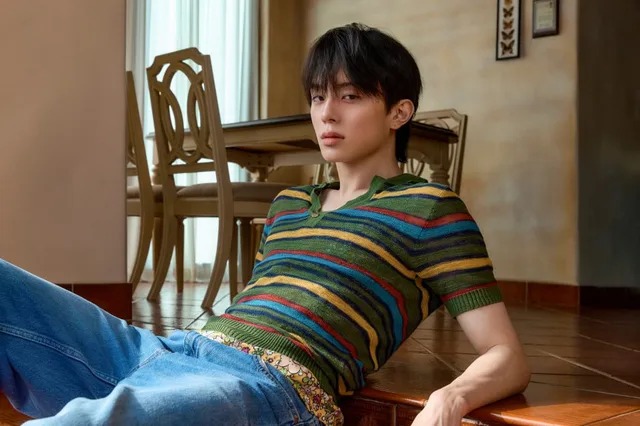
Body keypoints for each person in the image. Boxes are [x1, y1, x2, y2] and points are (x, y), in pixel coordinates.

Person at [0, 23, 530, 426]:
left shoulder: (430, 209)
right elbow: (262, 306)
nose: (326, 113)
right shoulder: (289, 205)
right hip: (171, 351)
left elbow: (506, 356)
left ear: (399, 112)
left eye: (349, 96)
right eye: (318, 96)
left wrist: (449, 397)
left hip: (264, 387)